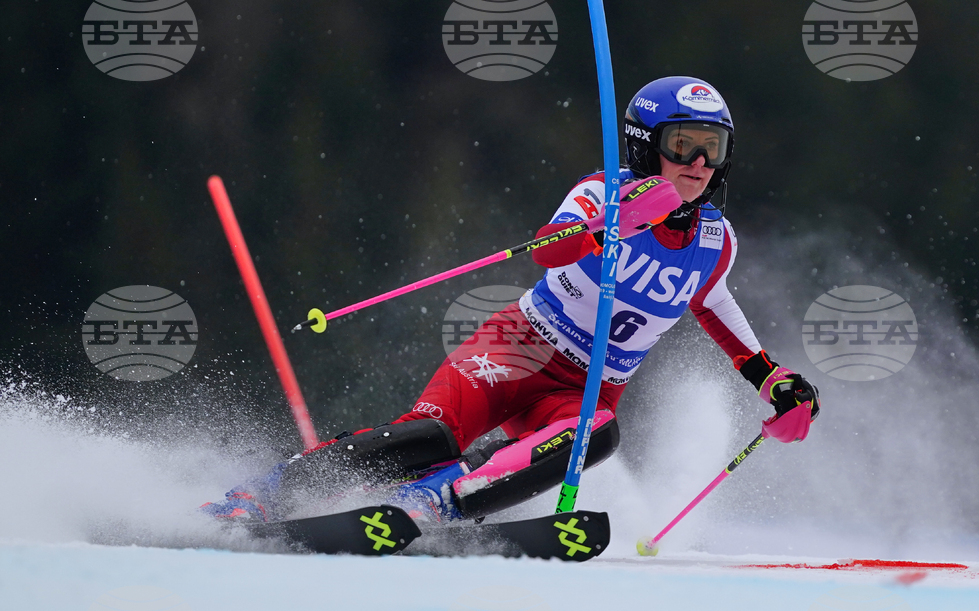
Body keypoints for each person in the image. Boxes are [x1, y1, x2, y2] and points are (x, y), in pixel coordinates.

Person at [203, 76, 820, 525]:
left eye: (713, 146)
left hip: (586, 392)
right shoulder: (599, 192)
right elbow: (548, 250)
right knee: (427, 438)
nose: (699, 162)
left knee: (598, 436)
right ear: (644, 144)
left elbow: (712, 305)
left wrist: (771, 379)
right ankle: (270, 489)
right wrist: (616, 223)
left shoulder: (715, 240)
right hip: (519, 348)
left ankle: (440, 501)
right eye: (684, 143)